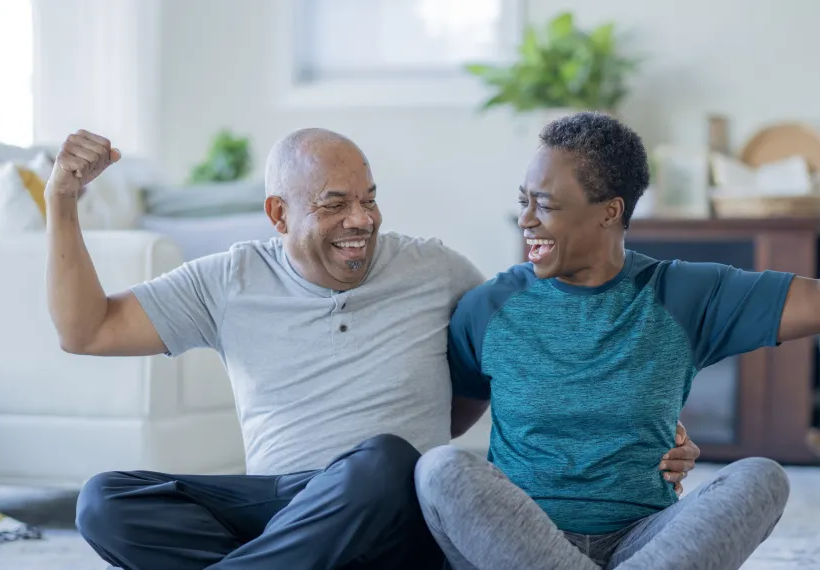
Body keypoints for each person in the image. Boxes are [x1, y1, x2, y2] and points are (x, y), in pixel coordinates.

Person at [45, 126, 702, 569]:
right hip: (282, 504)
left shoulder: (435, 269)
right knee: (105, 501)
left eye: (368, 199)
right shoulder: (229, 278)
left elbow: (546, 352)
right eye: (335, 205)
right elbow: (88, 330)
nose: (361, 220)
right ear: (279, 215)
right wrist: (63, 202)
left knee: (388, 463)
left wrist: (645, 432)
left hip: (397, 508)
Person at [415, 85, 820, 570]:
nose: (526, 219)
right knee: (440, 469)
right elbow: (451, 423)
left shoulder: (681, 294)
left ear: (610, 211)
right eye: (524, 200)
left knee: (762, 477)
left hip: (643, 541)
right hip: (521, 544)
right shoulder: (488, 308)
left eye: (546, 205)